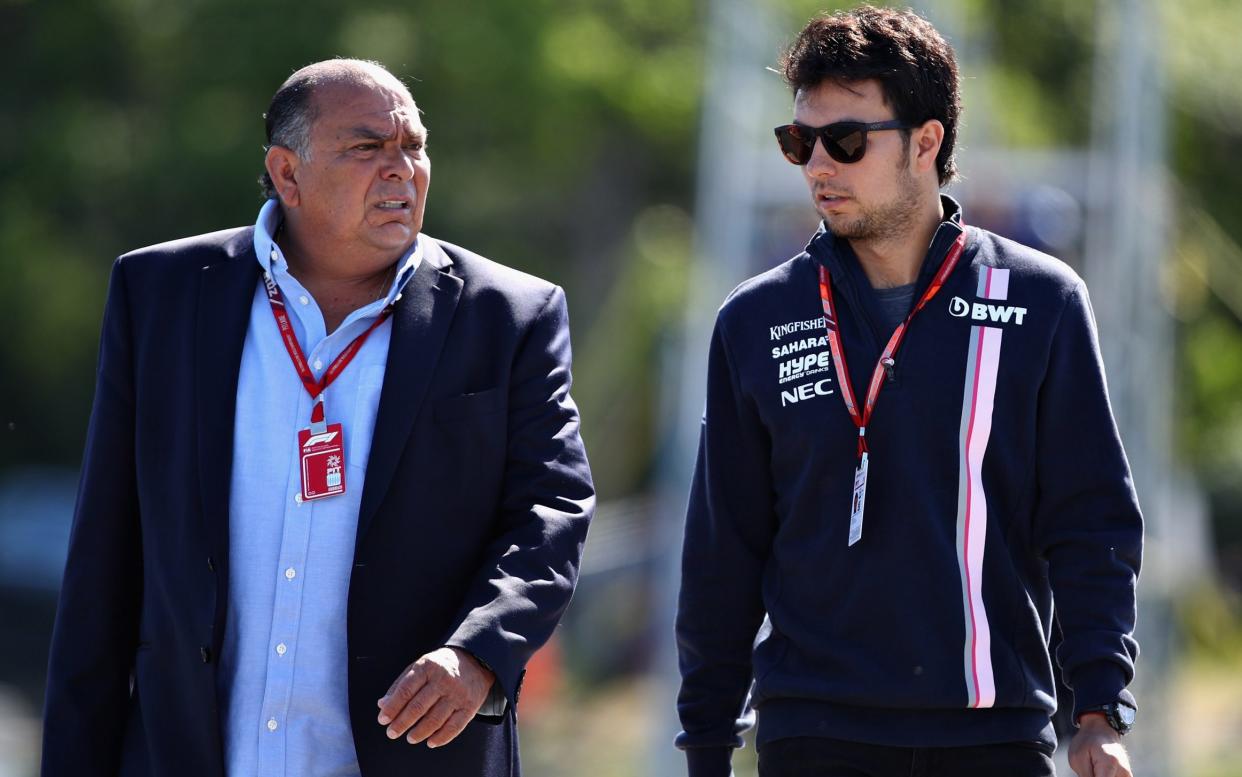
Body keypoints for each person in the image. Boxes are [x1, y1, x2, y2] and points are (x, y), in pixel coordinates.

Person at [41, 58, 594, 777]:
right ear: (286, 173)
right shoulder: (161, 294)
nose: (402, 170)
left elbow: (552, 510)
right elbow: (103, 565)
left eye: (414, 146)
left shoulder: (507, 316)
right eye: (367, 148)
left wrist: (478, 651)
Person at [674, 7, 1142, 777]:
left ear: (926, 143)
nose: (818, 165)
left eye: (846, 142)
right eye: (799, 142)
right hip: (811, 735)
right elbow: (723, 554)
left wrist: (1097, 710)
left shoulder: (1040, 301)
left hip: (995, 734)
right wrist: (706, 746)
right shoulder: (756, 318)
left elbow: (1091, 524)